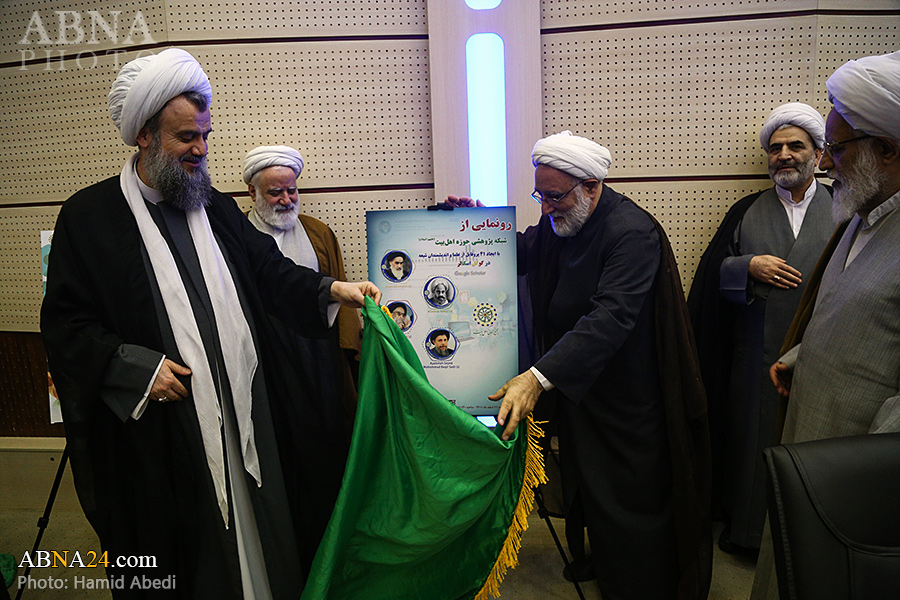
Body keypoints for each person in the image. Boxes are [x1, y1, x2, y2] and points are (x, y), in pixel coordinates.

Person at [40, 48, 380, 599]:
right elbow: (66, 325)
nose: (201, 149)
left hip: (245, 412)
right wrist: (137, 369)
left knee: (263, 538)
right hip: (166, 429)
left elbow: (268, 270)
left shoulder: (214, 206)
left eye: (205, 134)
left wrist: (330, 290)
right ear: (143, 136)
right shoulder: (90, 217)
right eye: (185, 137)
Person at [448, 131, 711, 600]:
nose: (546, 208)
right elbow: (525, 252)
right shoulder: (564, 219)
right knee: (590, 488)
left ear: (591, 186)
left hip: (627, 395)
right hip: (579, 386)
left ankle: (638, 585)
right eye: (541, 196)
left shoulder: (631, 232)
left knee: (629, 498)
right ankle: (606, 563)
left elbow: (610, 316)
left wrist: (537, 378)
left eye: (554, 197)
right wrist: (479, 226)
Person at [751, 49, 900, 600]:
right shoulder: (859, 216)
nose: (827, 164)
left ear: (886, 149)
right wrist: (799, 357)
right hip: (809, 434)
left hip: (856, 465)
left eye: (836, 149)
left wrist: (867, 469)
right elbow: (848, 310)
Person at [688, 103, 834, 555]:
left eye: (796, 146)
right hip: (755, 356)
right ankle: (749, 533)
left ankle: (806, 543)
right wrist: (747, 266)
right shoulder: (746, 211)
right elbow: (711, 276)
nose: (784, 155)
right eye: (775, 148)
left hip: (824, 353)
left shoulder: (845, 205)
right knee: (752, 444)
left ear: (818, 154)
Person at [243, 145, 362, 572]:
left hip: (320, 362)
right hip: (269, 365)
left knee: (328, 450)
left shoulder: (317, 232)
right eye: (275, 192)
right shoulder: (237, 239)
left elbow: (341, 296)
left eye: (291, 190)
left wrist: (351, 355)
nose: (286, 200)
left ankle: (331, 547)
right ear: (252, 193)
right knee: (280, 456)